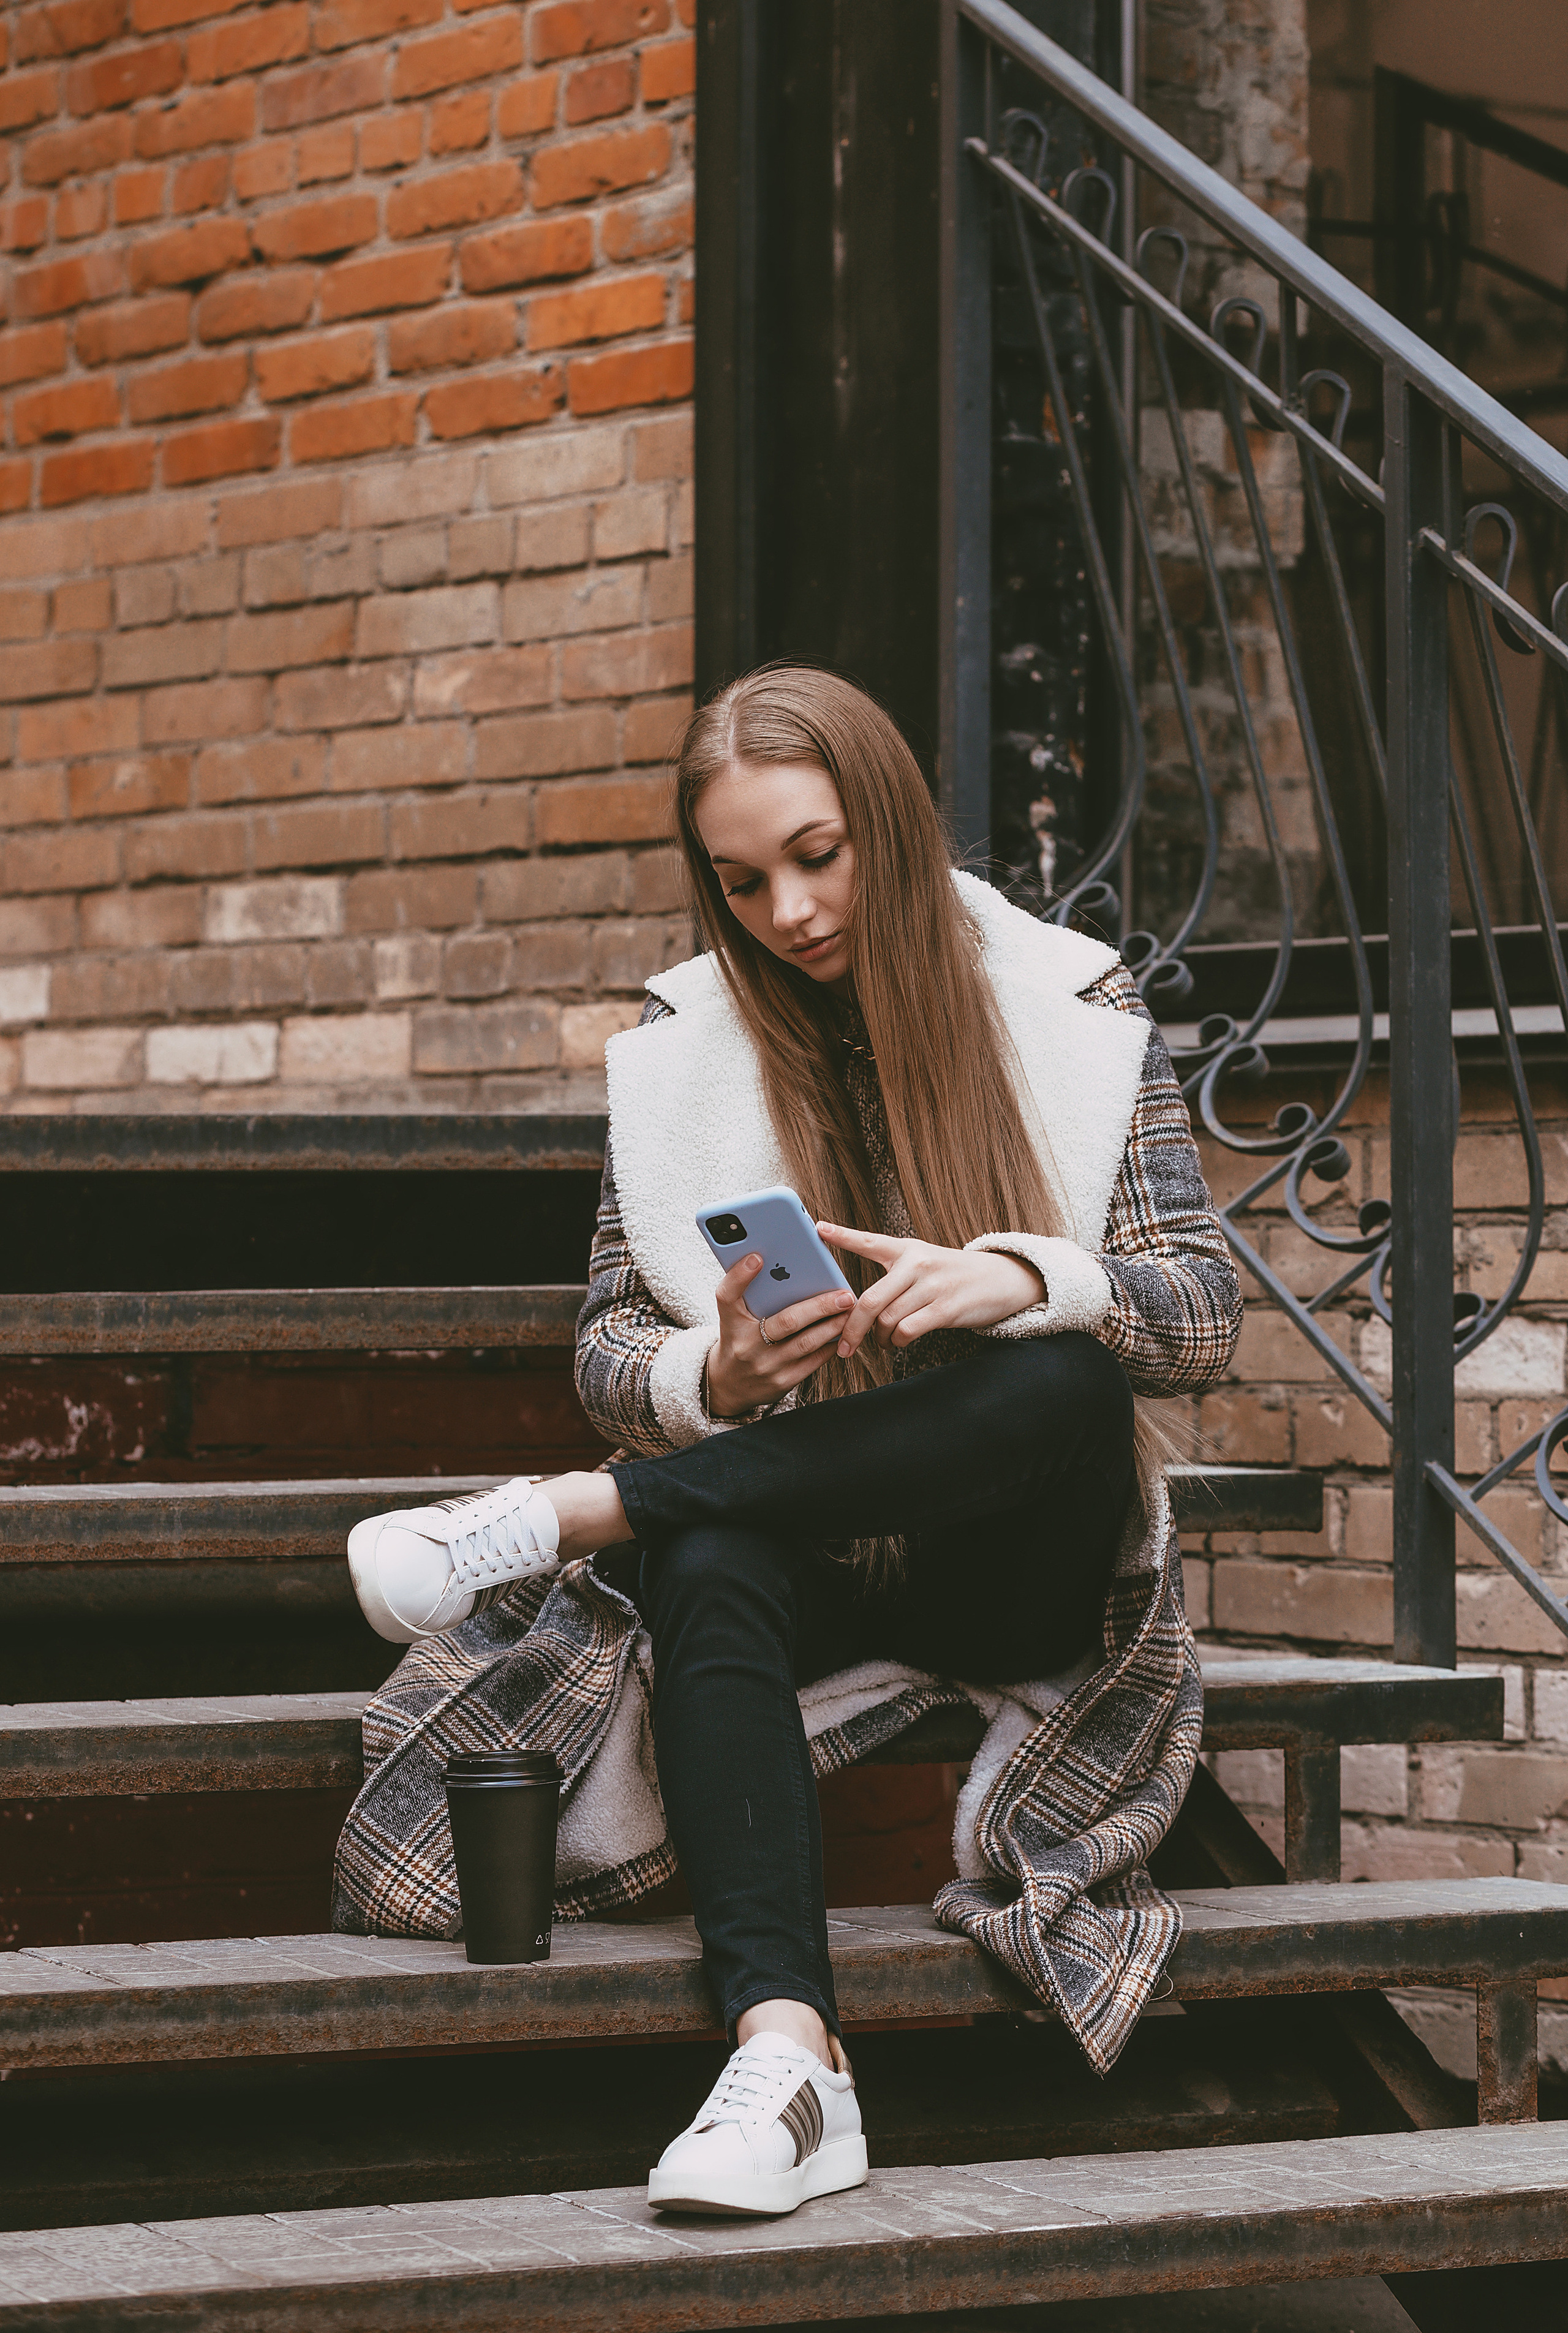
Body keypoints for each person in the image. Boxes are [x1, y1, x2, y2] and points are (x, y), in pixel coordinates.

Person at [344, 664, 1242, 2221]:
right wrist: (719, 1370)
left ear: (886, 820)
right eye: (744, 882)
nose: (791, 912)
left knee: (1066, 1386)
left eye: (818, 856)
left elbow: (1203, 1313)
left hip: (1009, 1564)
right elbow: (609, 1349)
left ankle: (575, 1516)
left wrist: (1027, 1279)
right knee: (705, 1544)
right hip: (805, 1543)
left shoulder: (1073, 1005)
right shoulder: (682, 1045)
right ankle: (786, 2056)